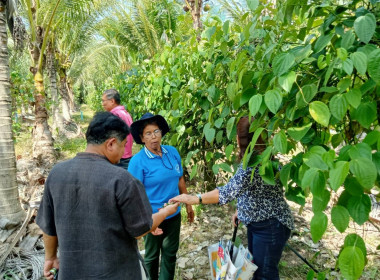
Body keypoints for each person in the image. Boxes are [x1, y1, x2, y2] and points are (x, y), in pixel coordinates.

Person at [36, 112, 179, 280]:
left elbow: (48, 226)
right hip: (118, 272)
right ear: (111, 144)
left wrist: (51, 257)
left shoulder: (56, 174)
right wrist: (165, 213)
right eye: (124, 145)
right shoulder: (122, 180)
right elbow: (140, 230)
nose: (124, 153)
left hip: (71, 272)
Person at [170, 116, 294, 280]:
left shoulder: (252, 166)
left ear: (241, 139)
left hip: (269, 226)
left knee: (265, 274)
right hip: (261, 223)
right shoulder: (263, 157)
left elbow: (226, 193)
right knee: (257, 268)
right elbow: (255, 191)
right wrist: (240, 210)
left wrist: (195, 198)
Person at [128, 113, 194, 280]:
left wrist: (188, 204)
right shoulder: (138, 161)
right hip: (153, 216)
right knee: (151, 257)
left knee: (170, 255)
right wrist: (149, 222)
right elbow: (135, 194)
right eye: (148, 134)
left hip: (173, 214)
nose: (153, 137)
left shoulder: (172, 152)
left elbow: (180, 178)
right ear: (142, 138)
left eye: (156, 131)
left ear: (161, 133)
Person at [102, 88, 133, 169]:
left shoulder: (114, 114)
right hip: (127, 155)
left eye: (104, 101)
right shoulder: (125, 113)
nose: (103, 104)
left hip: (119, 157)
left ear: (112, 101)